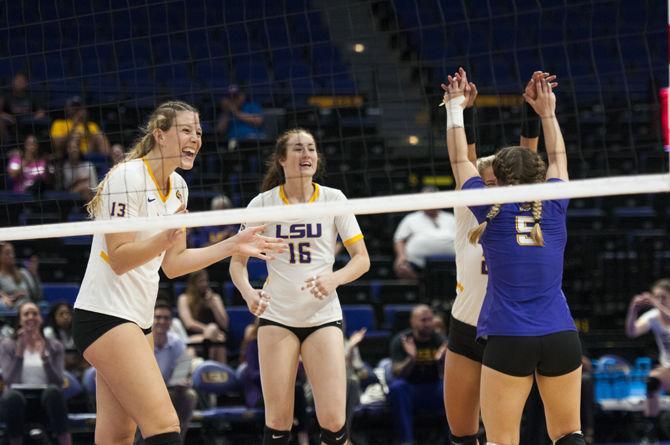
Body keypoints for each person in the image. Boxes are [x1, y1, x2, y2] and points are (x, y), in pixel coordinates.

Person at [71, 101, 286, 445]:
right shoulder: (128, 176)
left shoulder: (179, 188)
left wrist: (232, 244)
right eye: (186, 130)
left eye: (199, 132)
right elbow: (120, 258)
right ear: (160, 134)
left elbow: (174, 264)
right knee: (164, 425)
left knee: (117, 436)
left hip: (136, 320)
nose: (195, 138)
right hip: (103, 315)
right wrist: (164, 236)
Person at [443, 68, 583, 445]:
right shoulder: (553, 203)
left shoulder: (490, 209)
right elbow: (558, 157)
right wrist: (548, 112)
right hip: (560, 334)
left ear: (498, 181)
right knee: (569, 433)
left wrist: (454, 109)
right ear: (538, 178)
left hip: (508, 336)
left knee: (502, 439)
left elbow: (460, 162)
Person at [230, 128, 370, 445]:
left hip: (322, 315)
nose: (306, 154)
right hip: (277, 317)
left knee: (334, 421)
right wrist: (248, 292)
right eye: (297, 149)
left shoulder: (333, 199)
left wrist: (334, 278)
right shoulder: (262, 204)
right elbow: (236, 264)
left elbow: (362, 259)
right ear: (281, 159)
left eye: (311, 148)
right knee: (278, 422)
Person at [0, 301, 72, 445]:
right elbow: (9, 380)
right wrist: (19, 354)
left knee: (53, 392)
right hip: (18, 400)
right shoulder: (7, 345)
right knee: (11, 397)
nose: (31, 317)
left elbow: (58, 381)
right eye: (26, 314)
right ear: (20, 319)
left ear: (41, 318)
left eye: (34, 313)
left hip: (46, 401)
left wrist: (45, 358)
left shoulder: (54, 345)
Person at [134, 300, 197, 445]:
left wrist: (183, 381)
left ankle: (177, 439)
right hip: (143, 391)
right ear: (151, 319)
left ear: (171, 322)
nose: (162, 321)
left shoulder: (177, 343)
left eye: (166, 318)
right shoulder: (141, 340)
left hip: (168, 390)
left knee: (190, 396)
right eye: (158, 317)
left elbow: (183, 371)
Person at [388, 304, 447, 445]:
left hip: (433, 388)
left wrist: (442, 361)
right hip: (411, 389)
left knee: (452, 388)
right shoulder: (401, 341)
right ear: (412, 322)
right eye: (423, 320)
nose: (427, 324)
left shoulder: (441, 341)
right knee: (397, 388)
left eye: (429, 319)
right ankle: (406, 441)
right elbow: (397, 373)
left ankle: (452, 440)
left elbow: (448, 376)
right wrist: (411, 358)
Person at [625, 278, 670, 444]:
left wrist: (654, 303)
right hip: (668, 369)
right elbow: (632, 332)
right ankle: (651, 434)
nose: (659, 301)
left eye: (663, 297)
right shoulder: (654, 316)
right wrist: (633, 310)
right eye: (656, 297)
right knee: (652, 381)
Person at [392, 186, 456, 279]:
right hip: (417, 263)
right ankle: (422, 285)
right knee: (402, 268)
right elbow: (399, 239)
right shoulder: (411, 219)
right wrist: (401, 256)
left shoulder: (451, 218)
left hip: (451, 263)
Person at [177, 269, 229, 363]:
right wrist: (211, 331)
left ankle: (217, 371)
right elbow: (189, 323)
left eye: (206, 280)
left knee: (219, 343)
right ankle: (208, 364)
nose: (205, 284)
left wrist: (213, 305)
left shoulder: (215, 298)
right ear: (193, 283)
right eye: (201, 281)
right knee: (216, 336)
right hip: (193, 336)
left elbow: (225, 324)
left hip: (215, 337)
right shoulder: (184, 299)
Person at [0, 73, 49, 144]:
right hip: (12, 125)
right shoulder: (7, 96)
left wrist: (33, 119)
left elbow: (41, 111)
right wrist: (6, 116)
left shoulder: (31, 96)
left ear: (26, 83)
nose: (19, 83)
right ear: (13, 82)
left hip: (28, 125)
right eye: (17, 81)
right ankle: (6, 145)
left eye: (22, 81)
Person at [0, 241, 42, 309]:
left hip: (29, 306)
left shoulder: (23, 273)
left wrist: (34, 275)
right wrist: (13, 297)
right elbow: (3, 300)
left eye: (12, 252)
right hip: (12, 311)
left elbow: (38, 296)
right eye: (7, 253)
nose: (11, 256)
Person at [60, 135, 98, 201]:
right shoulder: (65, 166)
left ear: (79, 149)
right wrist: (81, 182)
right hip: (70, 198)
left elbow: (94, 186)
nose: (73, 150)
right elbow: (67, 187)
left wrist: (80, 183)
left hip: (90, 195)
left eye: (75, 147)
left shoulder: (89, 165)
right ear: (67, 150)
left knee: (86, 190)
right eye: (70, 147)